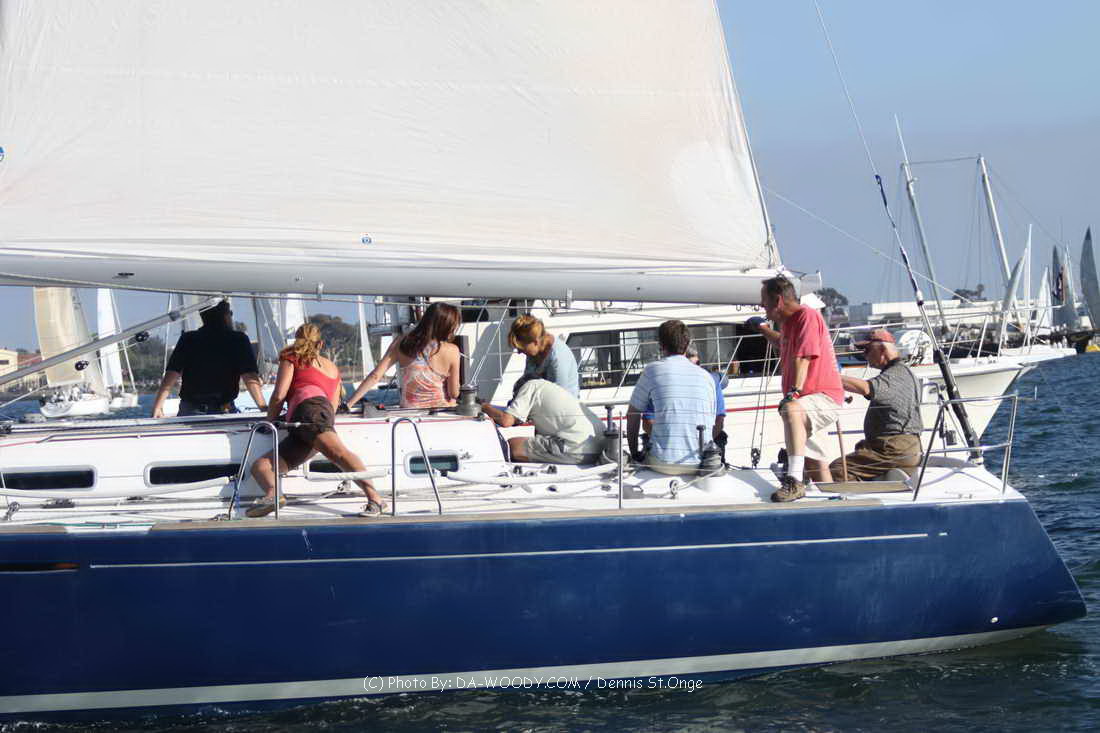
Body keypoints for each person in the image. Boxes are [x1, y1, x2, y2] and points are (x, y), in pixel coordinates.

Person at [247, 323, 386, 518]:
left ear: (296, 339)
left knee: (339, 453)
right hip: (310, 419)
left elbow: (279, 395)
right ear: (320, 344)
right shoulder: (333, 368)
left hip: (307, 412)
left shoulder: (291, 357)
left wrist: (269, 421)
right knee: (262, 466)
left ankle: (375, 498)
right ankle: (274, 495)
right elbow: (333, 406)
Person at [748, 276, 844, 501]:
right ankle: (833, 502)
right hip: (808, 401)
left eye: (764, 301)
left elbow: (804, 357)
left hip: (821, 397)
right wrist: (762, 329)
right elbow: (782, 343)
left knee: (791, 410)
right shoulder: (790, 324)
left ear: (778, 301)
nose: (762, 306)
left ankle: (793, 481)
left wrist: (794, 392)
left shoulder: (807, 316)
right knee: (815, 461)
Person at [829, 329, 923, 481]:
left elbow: (866, 388)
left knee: (838, 469)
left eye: (867, 350)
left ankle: (857, 496)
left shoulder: (897, 374)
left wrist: (828, 377)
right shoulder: (900, 372)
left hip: (895, 449)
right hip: (894, 447)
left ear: (882, 349)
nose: (865, 355)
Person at [626, 320, 717, 475]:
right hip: (701, 462)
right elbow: (712, 422)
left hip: (662, 463)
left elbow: (632, 415)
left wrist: (634, 454)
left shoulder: (652, 371)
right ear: (687, 345)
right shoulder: (706, 377)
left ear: (661, 345)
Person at [151, 300, 267, 417]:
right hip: (224, 410)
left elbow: (172, 374)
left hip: (190, 410)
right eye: (230, 313)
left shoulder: (188, 339)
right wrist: (263, 408)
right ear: (225, 316)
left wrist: (158, 406)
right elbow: (249, 377)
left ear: (202, 317)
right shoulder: (238, 340)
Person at [346, 302, 461, 410]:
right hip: (440, 411)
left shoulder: (402, 342)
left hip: (409, 411)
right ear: (446, 326)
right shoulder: (452, 351)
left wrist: (348, 404)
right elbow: (453, 393)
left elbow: (375, 376)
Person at [480, 379, 605, 464]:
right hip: (601, 447)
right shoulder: (550, 389)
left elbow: (506, 421)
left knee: (513, 445)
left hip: (576, 448)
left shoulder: (530, 386)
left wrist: (483, 407)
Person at [509, 315, 580, 397]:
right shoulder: (535, 351)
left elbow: (558, 397)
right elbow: (528, 381)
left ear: (535, 342)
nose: (519, 352)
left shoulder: (558, 357)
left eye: (522, 348)